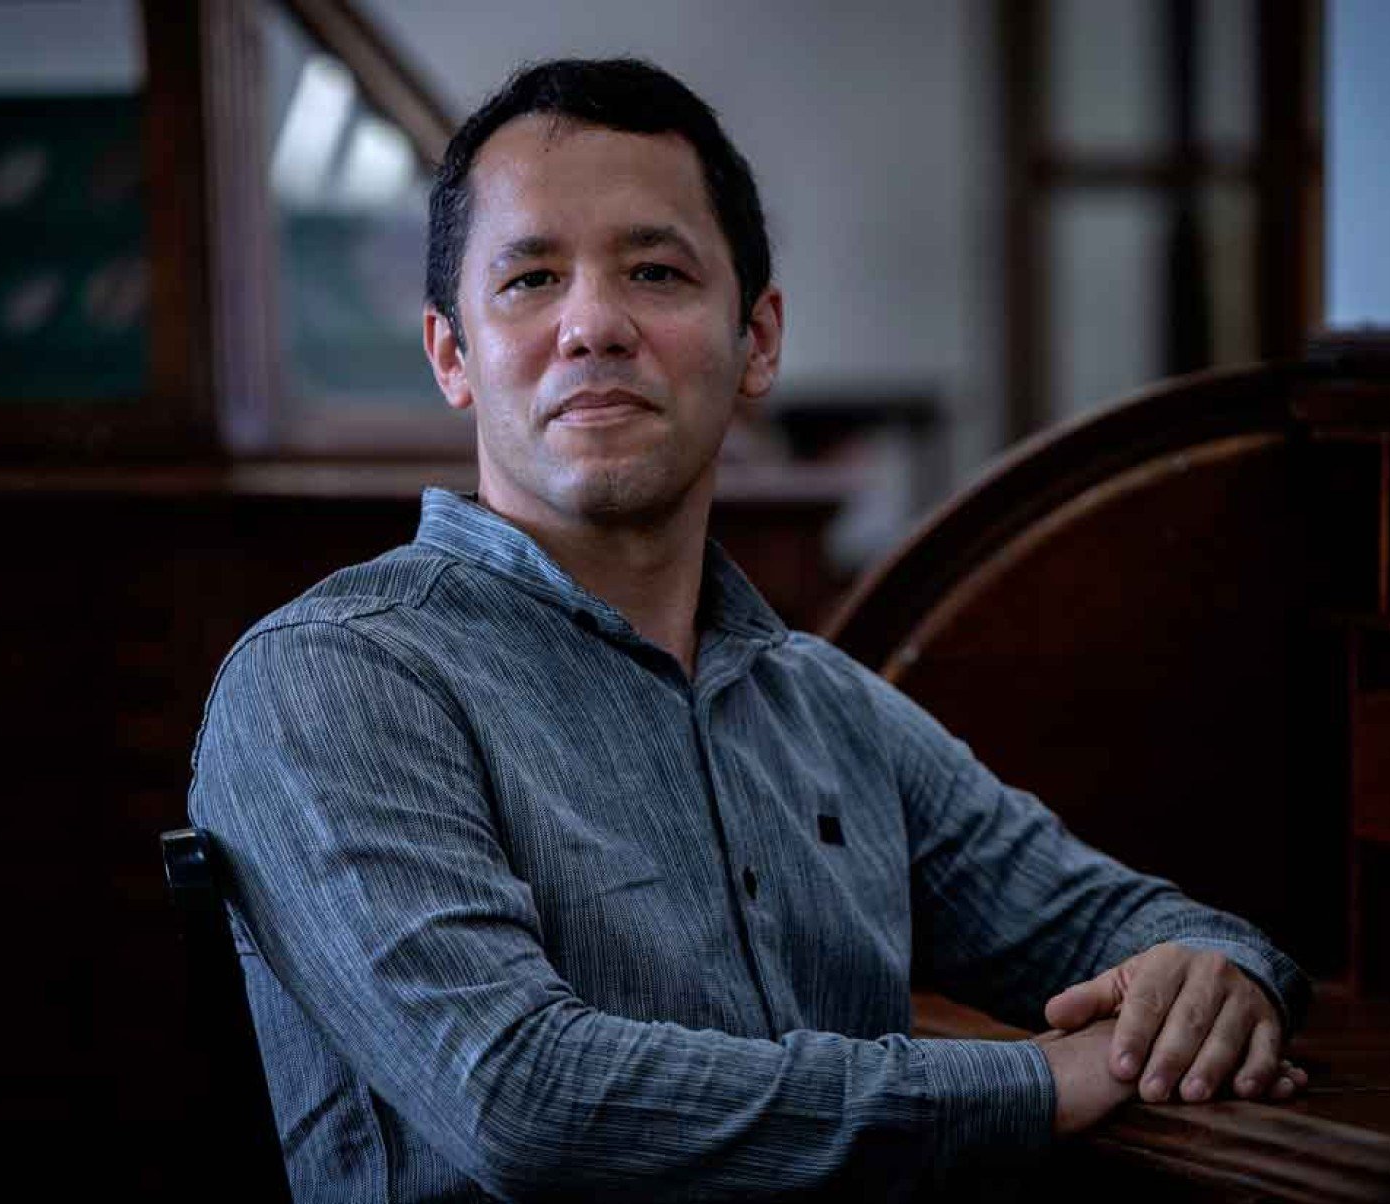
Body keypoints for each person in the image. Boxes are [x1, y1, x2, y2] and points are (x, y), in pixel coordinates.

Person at [188, 57, 1309, 1202]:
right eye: (529, 279)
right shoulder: (333, 679)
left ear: (758, 339)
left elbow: (1130, 923)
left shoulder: (824, 705)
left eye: (656, 271)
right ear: (450, 353)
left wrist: (1219, 976)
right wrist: (1030, 1084)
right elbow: (525, 1102)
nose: (593, 324)